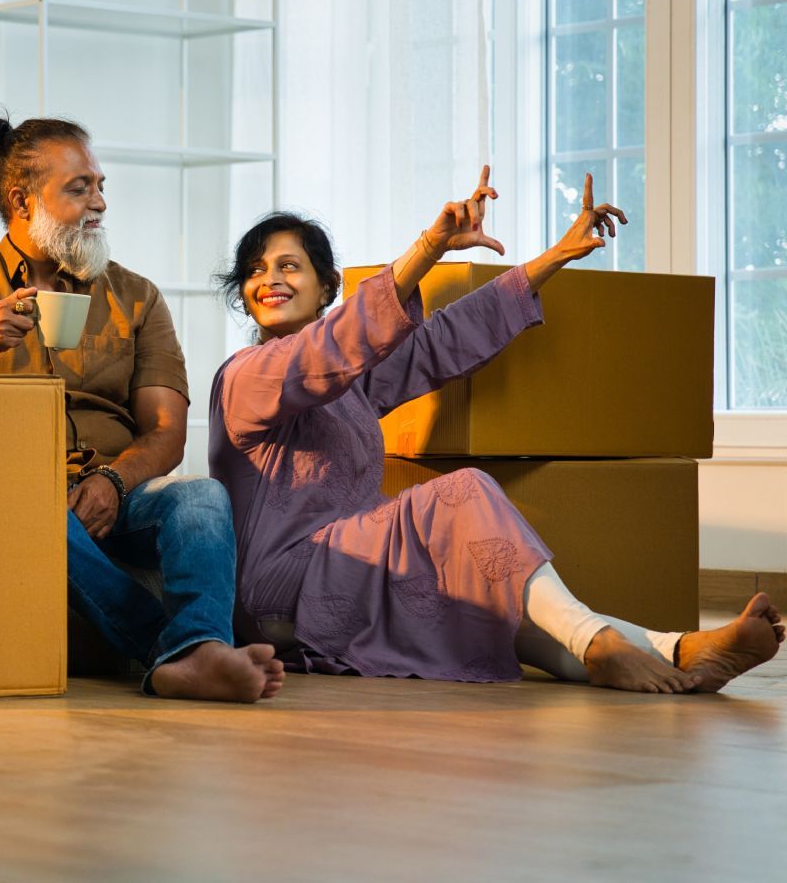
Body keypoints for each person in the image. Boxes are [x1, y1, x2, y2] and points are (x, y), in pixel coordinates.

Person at [209, 168, 784, 692]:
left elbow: (440, 342)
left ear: (326, 286)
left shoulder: (353, 386)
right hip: (280, 590)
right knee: (465, 492)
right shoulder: (245, 377)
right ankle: (598, 640)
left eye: (289, 266)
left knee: (484, 598)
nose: (270, 280)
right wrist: (430, 246)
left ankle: (680, 650)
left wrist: (555, 255)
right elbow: (328, 349)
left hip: (347, 572)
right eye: (255, 271)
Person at [0, 110, 284, 703]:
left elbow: (165, 430)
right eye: (80, 188)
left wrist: (112, 478)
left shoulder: (135, 296)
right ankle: (184, 651)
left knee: (202, 495)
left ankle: (194, 652)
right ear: (21, 199)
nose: (100, 203)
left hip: (119, 489)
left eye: (101, 186)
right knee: (31, 511)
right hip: (6, 493)